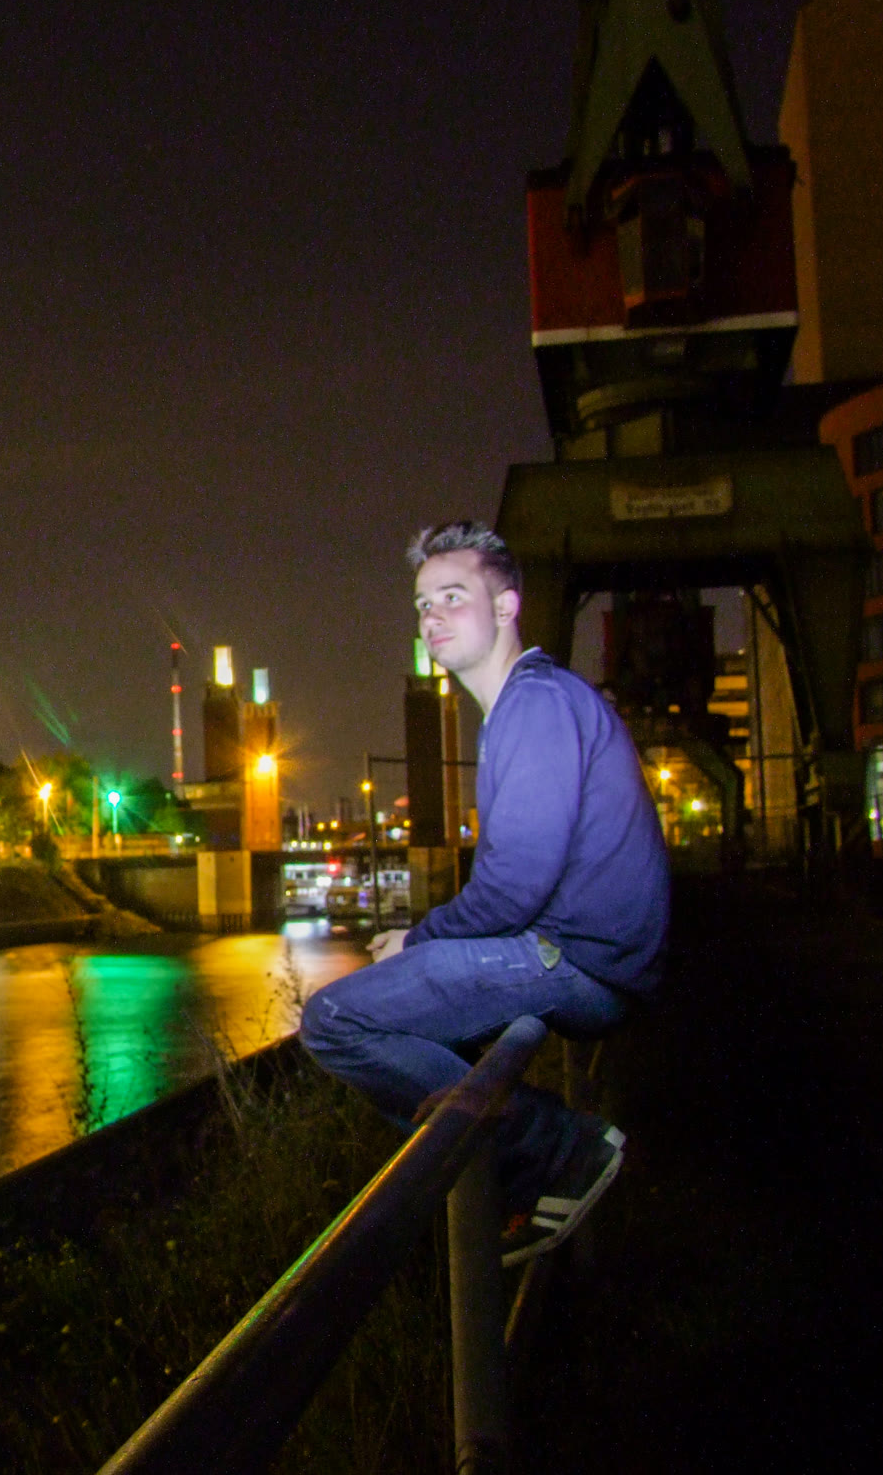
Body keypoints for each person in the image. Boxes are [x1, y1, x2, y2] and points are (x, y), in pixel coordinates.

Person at [300, 520, 669, 1263]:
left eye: (453, 596)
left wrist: (417, 938)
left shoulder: (535, 705)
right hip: (592, 955)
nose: (431, 616)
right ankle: (512, 1174)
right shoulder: (528, 707)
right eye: (422, 603)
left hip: (579, 961)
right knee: (414, 1021)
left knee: (334, 1020)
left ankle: (555, 1151)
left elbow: (513, 886)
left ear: (506, 606)